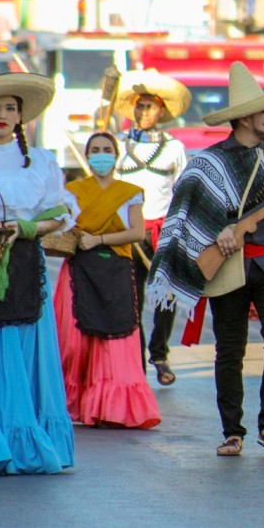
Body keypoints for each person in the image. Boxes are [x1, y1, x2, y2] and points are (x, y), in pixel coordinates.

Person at [146, 62, 264, 457]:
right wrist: (218, 232)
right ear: (245, 117)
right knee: (230, 348)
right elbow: (186, 218)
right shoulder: (207, 163)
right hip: (229, 265)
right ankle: (233, 431)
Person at [0, 72, 75, 474]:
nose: (2, 115)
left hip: (25, 267)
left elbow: (61, 215)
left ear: (20, 116)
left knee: (19, 345)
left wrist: (25, 228)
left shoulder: (42, 161)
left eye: (10, 108)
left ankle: (15, 442)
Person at [53, 132, 161, 429]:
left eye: (107, 150)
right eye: (96, 150)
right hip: (78, 270)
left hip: (117, 269)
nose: (102, 155)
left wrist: (98, 238)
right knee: (74, 341)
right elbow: (60, 227)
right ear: (87, 157)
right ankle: (73, 404)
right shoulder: (71, 192)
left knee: (116, 339)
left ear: (116, 155)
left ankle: (113, 408)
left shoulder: (130, 192)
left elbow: (137, 233)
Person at [113, 69, 192, 386]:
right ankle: (136, 359)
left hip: (162, 232)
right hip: (127, 233)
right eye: (139, 105)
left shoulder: (174, 148)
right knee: (130, 300)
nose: (144, 112)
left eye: (150, 106)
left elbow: (183, 191)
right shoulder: (116, 145)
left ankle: (159, 354)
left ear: (161, 111)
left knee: (165, 297)